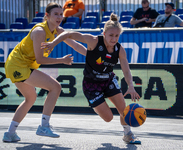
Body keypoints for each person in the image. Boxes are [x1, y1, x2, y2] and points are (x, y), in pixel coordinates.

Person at [42, 13, 141, 144]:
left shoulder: (120, 50)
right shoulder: (93, 41)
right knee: (108, 118)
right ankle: (97, 104)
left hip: (108, 80)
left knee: (124, 110)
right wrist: (53, 43)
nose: (114, 38)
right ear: (104, 33)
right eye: (111, 35)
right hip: (91, 85)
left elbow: (126, 70)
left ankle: (128, 134)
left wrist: (131, 86)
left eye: (117, 36)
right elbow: (70, 34)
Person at [2, 2, 87, 142]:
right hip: (18, 65)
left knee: (31, 98)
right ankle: (44, 126)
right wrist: (62, 60)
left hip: (22, 65)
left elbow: (75, 45)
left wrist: (94, 58)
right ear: (47, 16)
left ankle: (10, 133)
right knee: (55, 87)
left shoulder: (58, 30)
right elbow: (40, 59)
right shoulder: (40, 32)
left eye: (61, 14)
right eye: (56, 14)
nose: (59, 17)